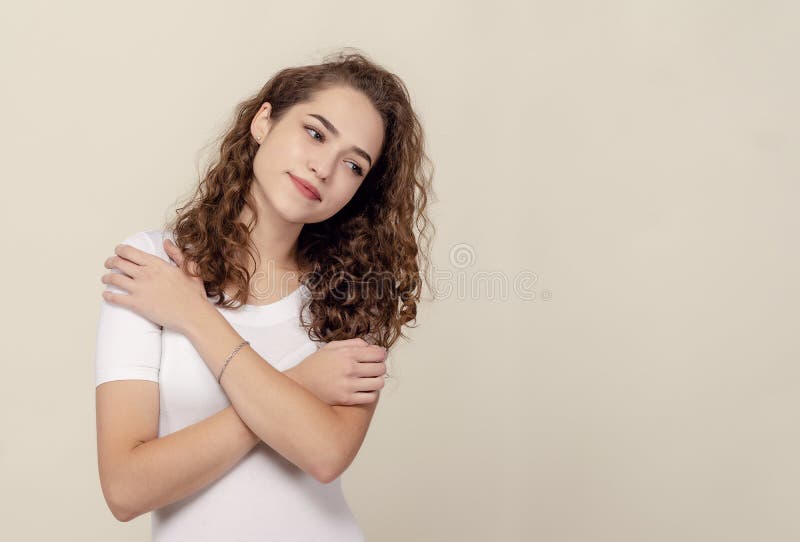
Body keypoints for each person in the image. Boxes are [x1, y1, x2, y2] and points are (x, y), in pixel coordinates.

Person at [94, 50, 434, 541]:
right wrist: (300, 386)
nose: (323, 168)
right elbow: (125, 489)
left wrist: (195, 316)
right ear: (264, 121)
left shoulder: (356, 293)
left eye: (354, 165)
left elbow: (323, 455)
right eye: (315, 133)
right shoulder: (152, 265)